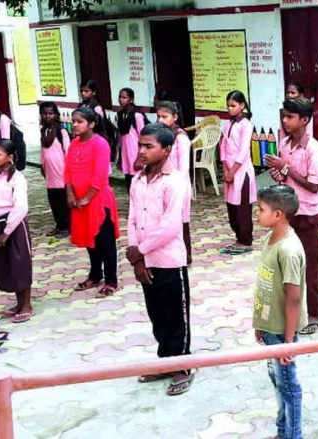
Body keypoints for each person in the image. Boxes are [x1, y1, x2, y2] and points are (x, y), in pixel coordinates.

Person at [126, 123, 194, 396]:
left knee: (177, 316)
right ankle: (165, 360)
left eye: (148, 146)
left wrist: (140, 250)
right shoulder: (137, 180)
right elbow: (132, 218)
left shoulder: (175, 181)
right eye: (140, 145)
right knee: (157, 314)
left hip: (169, 260)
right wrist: (138, 259)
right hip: (146, 261)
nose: (141, 150)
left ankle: (183, 366)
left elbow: (170, 226)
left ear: (166, 150)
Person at [267, 98, 318, 335]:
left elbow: (313, 185)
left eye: (290, 117)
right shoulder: (284, 143)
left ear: (304, 120)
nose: (285, 121)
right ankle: (290, 310)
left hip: (309, 214)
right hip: (289, 213)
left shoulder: (314, 148)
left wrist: (286, 167)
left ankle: (314, 313)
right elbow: (286, 178)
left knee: (310, 265)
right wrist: (279, 174)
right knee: (286, 263)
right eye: (284, 116)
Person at [253, 185, 307, 439]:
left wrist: (288, 342)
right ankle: (283, 432)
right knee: (279, 382)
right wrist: (259, 324)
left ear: (278, 215)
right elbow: (267, 288)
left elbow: (293, 298)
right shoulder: (270, 237)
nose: (257, 214)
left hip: (282, 332)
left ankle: (293, 435)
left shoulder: (289, 249)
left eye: (261, 209)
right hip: (269, 327)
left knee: (289, 386)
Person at [65, 107, 121, 298]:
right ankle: (95, 275)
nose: (75, 125)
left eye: (79, 122)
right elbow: (68, 172)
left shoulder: (100, 144)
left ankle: (111, 280)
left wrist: (87, 198)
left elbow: (99, 176)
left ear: (91, 124)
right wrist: (70, 194)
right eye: (73, 121)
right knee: (91, 241)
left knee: (105, 241)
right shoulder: (73, 145)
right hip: (79, 201)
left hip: (98, 200)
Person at [0, 139, 33, 323]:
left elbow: (20, 207)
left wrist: (6, 232)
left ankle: (26, 304)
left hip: (14, 225)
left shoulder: (17, 178)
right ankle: (18, 304)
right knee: (7, 264)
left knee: (20, 264)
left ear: (9, 157)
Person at [219, 90, 257, 255]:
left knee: (242, 206)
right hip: (229, 171)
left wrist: (233, 170)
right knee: (231, 206)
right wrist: (225, 168)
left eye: (233, 106)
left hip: (241, 172)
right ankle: (238, 237)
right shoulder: (227, 125)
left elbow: (243, 151)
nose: (230, 109)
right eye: (228, 106)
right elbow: (223, 148)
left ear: (242, 106)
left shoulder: (246, 125)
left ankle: (246, 239)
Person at [156, 101, 193, 265]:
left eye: (164, 117)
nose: (160, 120)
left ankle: (185, 256)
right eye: (158, 116)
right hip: (163, 185)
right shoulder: (161, 136)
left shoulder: (181, 137)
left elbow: (184, 168)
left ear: (175, 117)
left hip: (179, 186)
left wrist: (177, 187)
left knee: (180, 223)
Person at [39, 101, 72, 238]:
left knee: (63, 201)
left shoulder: (61, 131)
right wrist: (42, 165)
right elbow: (43, 151)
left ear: (56, 115)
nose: (48, 116)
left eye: (51, 113)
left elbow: (68, 151)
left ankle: (67, 226)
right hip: (50, 174)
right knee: (53, 201)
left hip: (61, 172)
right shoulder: (43, 131)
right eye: (45, 114)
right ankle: (59, 225)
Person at [117, 87, 146, 191]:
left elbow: (143, 136)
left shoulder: (137, 115)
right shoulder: (120, 115)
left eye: (124, 97)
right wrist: (120, 155)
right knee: (128, 180)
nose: (121, 99)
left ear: (131, 99)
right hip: (126, 153)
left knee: (138, 179)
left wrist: (140, 157)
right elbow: (121, 136)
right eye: (120, 97)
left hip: (135, 152)